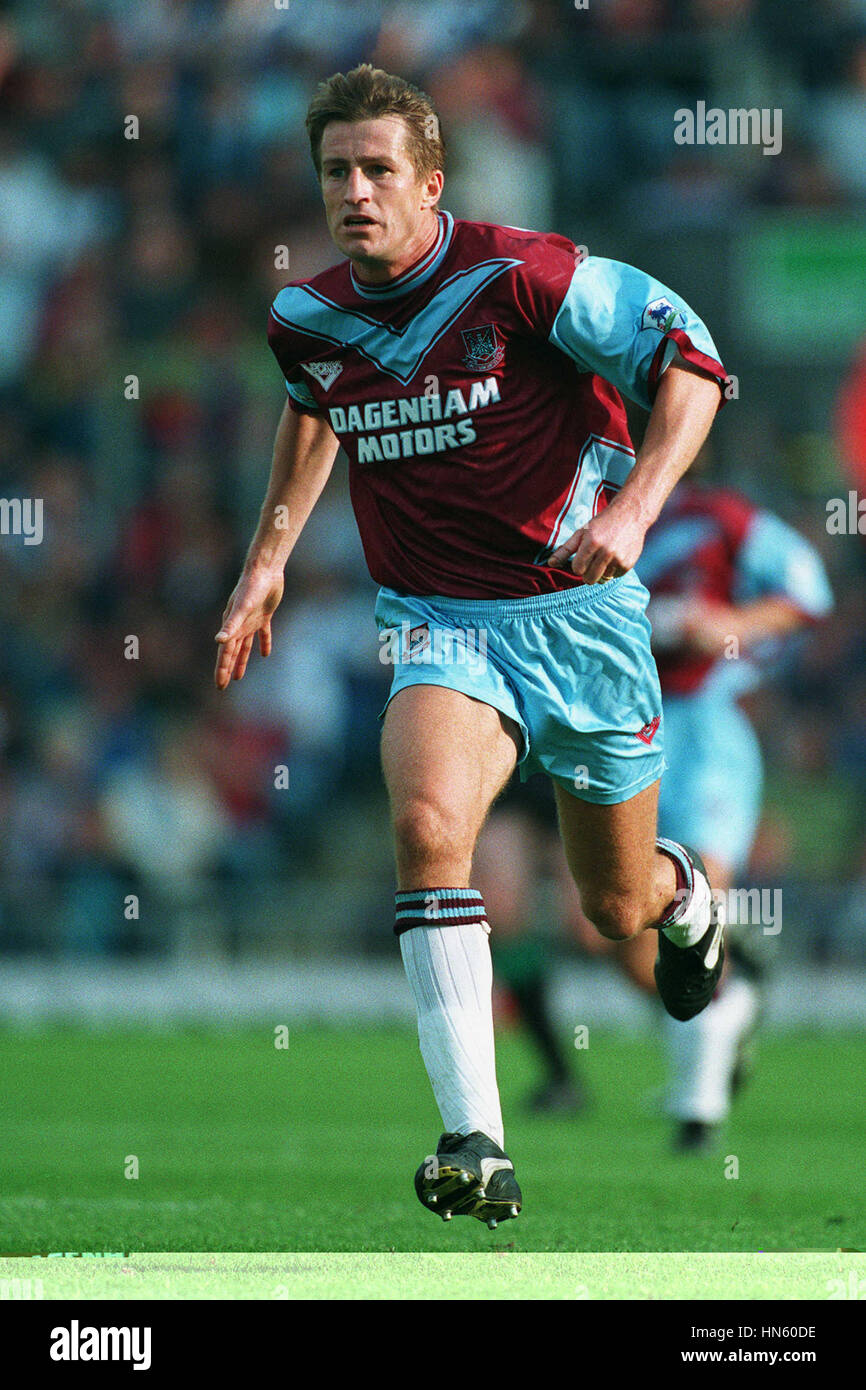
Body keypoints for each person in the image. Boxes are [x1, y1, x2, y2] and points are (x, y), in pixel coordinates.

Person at [214, 64, 729, 1229]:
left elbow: (689, 361)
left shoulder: (522, 272)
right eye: (335, 171)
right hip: (441, 619)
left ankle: (682, 894)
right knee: (426, 826)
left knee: (609, 907)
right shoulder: (305, 317)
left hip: (581, 613)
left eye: (377, 169)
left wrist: (638, 504)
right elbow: (314, 410)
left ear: (429, 181)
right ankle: (474, 1141)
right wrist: (268, 558)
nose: (354, 191)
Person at [477, 473, 833, 1148]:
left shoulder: (719, 515)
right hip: (611, 724)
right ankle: (728, 999)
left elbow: (808, 591)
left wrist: (731, 626)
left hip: (701, 729)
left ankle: (699, 1101)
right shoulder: (578, 514)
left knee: (692, 897)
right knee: (611, 925)